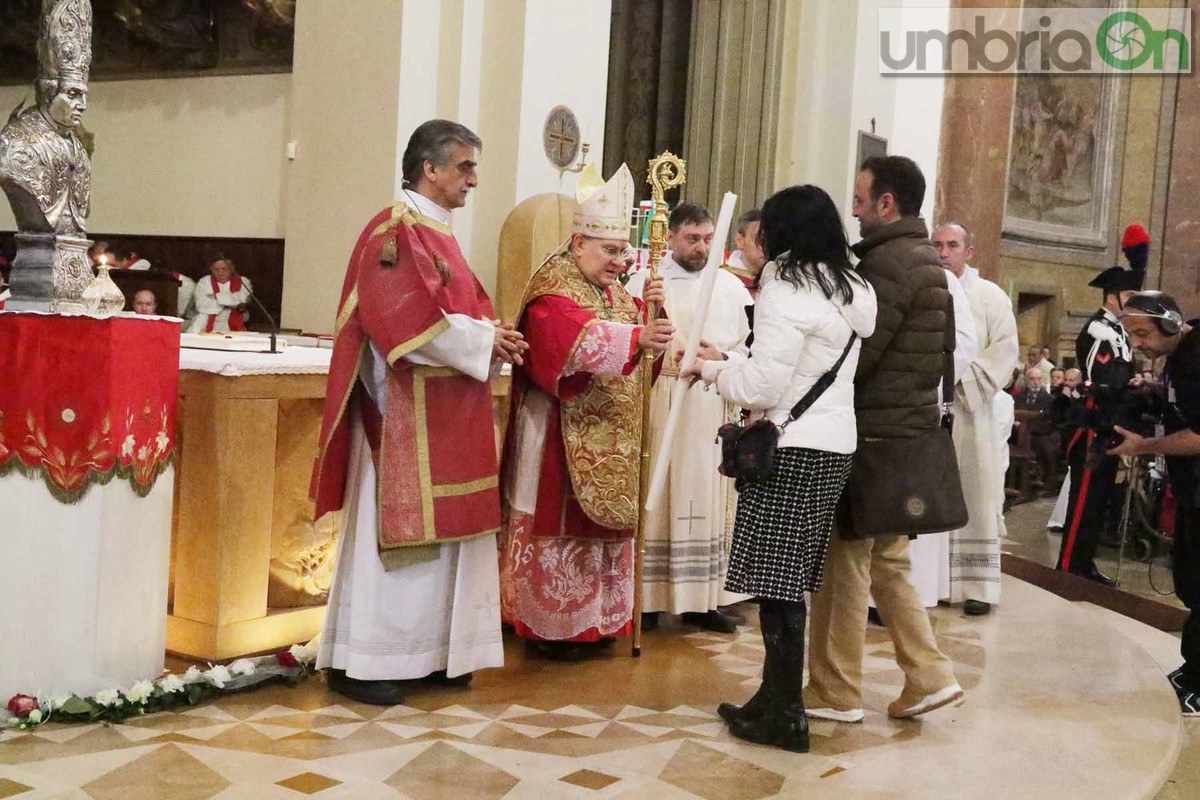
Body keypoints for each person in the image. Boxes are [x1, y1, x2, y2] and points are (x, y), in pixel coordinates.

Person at [311, 119, 526, 705]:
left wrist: (492, 333)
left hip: (449, 404)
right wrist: (484, 342)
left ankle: (433, 654)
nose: (473, 180)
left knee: (452, 538)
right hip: (405, 409)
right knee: (403, 541)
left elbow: (467, 306)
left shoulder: (439, 233)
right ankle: (364, 662)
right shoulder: (392, 231)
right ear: (428, 169)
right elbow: (398, 318)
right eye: (464, 167)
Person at [683, 184, 876, 753]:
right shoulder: (849, 286)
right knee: (787, 577)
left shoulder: (786, 287)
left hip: (789, 447)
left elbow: (765, 386)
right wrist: (728, 360)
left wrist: (714, 374)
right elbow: (798, 367)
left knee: (779, 582)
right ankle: (773, 697)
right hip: (833, 443)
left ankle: (786, 713)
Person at [805, 155, 963, 723]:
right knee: (890, 561)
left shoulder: (887, 264)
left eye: (860, 197)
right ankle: (929, 674)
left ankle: (834, 691)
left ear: (886, 204)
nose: (853, 208)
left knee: (844, 562)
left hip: (870, 433)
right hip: (907, 429)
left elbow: (859, 353)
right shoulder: (925, 261)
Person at [498, 164, 673, 659]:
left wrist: (654, 320)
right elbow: (566, 339)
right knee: (559, 518)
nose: (621, 262)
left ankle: (597, 623)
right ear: (578, 244)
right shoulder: (552, 291)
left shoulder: (618, 295)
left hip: (611, 435)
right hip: (557, 431)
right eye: (610, 250)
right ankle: (551, 626)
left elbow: (643, 357)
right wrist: (638, 337)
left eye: (624, 251)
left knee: (604, 530)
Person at [625, 202, 753, 634]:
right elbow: (631, 337)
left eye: (707, 239)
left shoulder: (732, 290)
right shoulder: (647, 282)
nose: (701, 247)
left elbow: (749, 348)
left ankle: (704, 600)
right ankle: (648, 598)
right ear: (672, 238)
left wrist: (724, 357)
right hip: (663, 400)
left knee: (706, 495)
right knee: (660, 494)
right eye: (692, 239)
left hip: (710, 404)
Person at [1107, 291, 1200, 715]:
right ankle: (1193, 665)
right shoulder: (1183, 355)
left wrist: (1145, 445)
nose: (1138, 343)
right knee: (1191, 582)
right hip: (1192, 488)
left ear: (1170, 323)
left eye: (1143, 333)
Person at [931, 222, 1019, 616]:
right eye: (937, 245)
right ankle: (928, 583)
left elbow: (1005, 350)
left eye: (952, 245)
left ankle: (977, 585)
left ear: (969, 251)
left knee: (976, 493)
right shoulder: (925, 290)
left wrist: (955, 381)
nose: (943, 252)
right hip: (928, 412)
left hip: (971, 411)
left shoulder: (990, 298)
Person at [1058, 259, 1142, 583]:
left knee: (1099, 500)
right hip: (1093, 424)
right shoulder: (1098, 329)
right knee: (1083, 501)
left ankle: (1084, 563)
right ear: (1112, 297)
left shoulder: (1119, 331)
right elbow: (1099, 377)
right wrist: (1123, 386)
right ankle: (1068, 567)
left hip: (1110, 423)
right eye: (1129, 295)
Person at [188, 256, 252, 333]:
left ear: (231, 269)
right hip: (205, 326)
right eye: (216, 270)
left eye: (224, 269)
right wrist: (232, 302)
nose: (220, 273)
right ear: (211, 270)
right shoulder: (204, 282)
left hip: (235, 327)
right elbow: (202, 306)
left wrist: (217, 297)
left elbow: (243, 299)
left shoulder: (243, 281)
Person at [723, 209, 767, 297]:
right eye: (760, 239)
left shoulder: (781, 279)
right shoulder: (723, 281)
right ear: (740, 241)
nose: (767, 246)